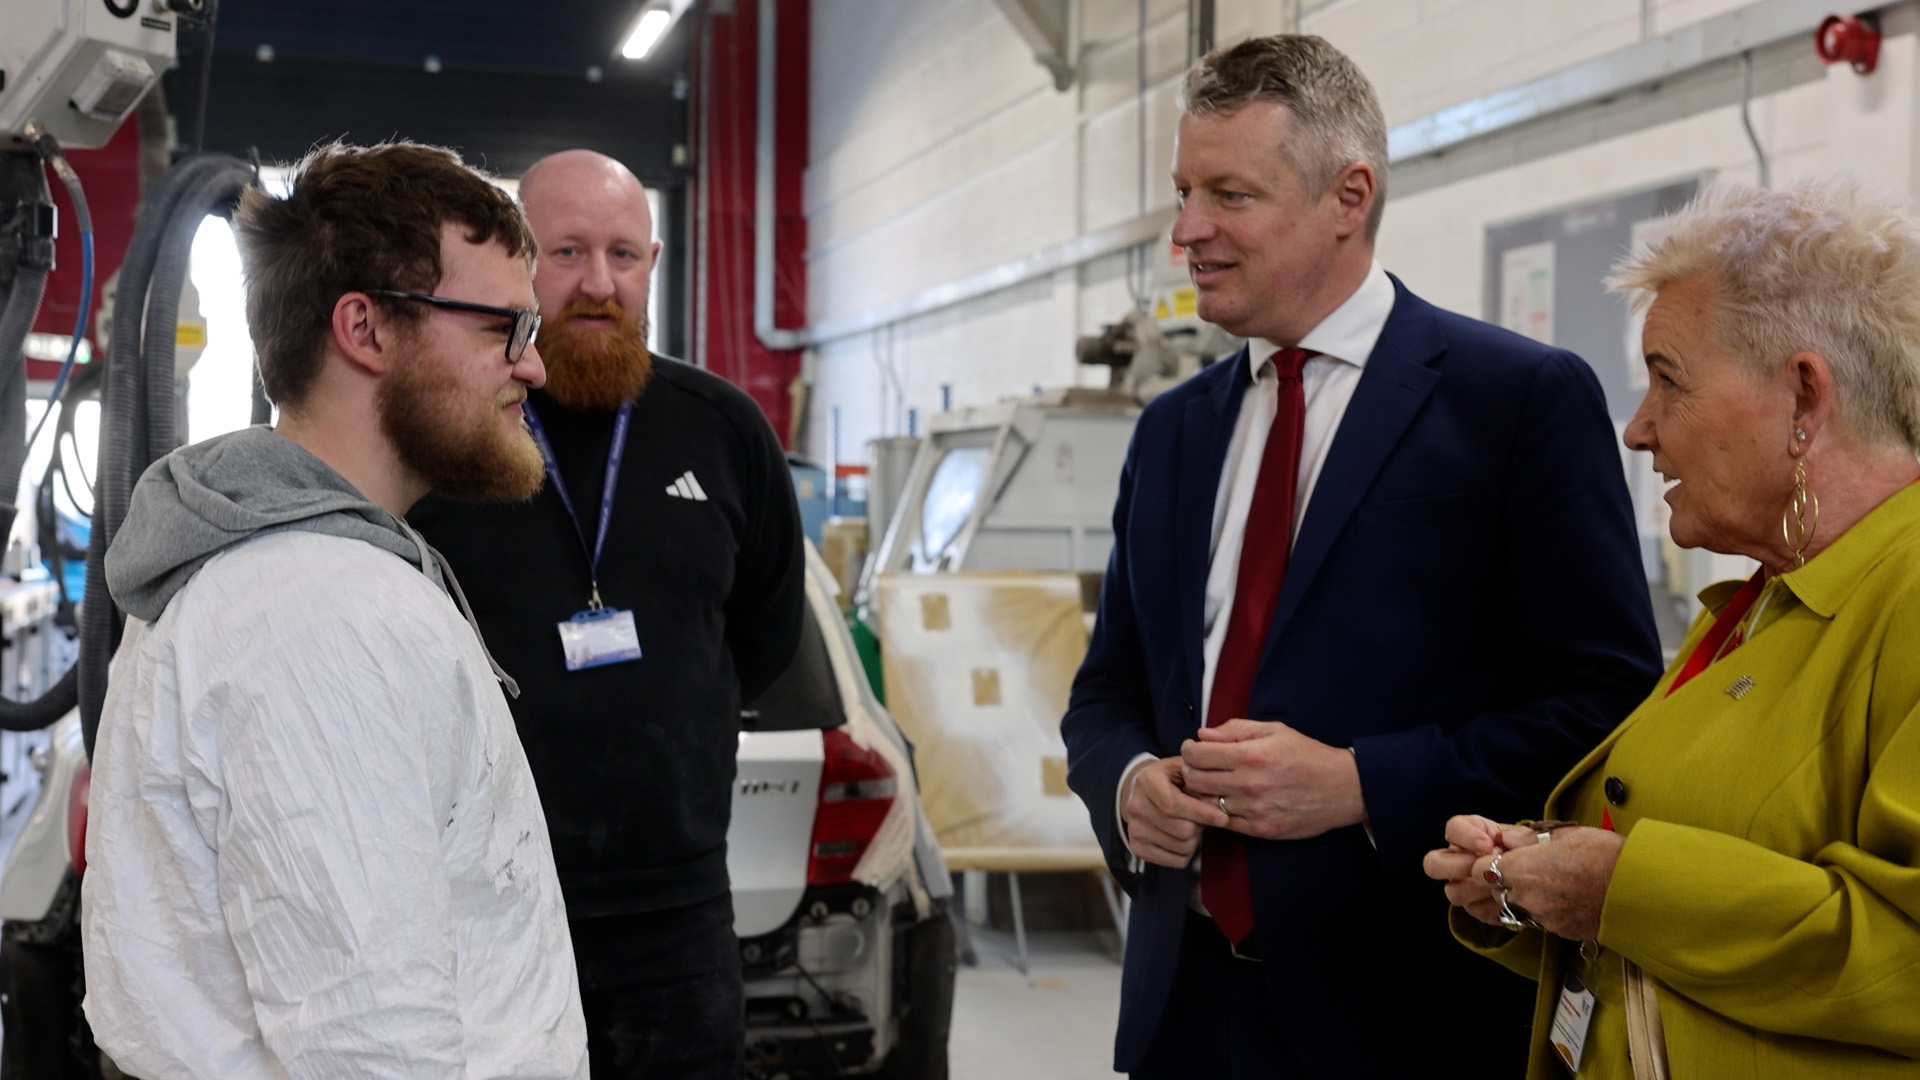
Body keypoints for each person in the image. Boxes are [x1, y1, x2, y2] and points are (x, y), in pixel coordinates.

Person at [1060, 34, 1664, 1078]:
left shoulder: (1514, 402)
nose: (1186, 233)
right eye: (1183, 192)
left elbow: (1603, 699)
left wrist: (1361, 785)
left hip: (1406, 1011)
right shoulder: (1172, 433)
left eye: (1229, 195)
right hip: (1187, 1003)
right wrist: (1129, 784)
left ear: (1350, 196)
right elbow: (1108, 688)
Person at [79, 141, 587, 1078]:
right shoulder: (323, 616)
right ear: (367, 328)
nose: (535, 370)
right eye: (501, 331)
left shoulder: (297, 571)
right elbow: (370, 1044)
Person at [1427, 177, 1920, 1078]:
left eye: (1668, 379)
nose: (1638, 428)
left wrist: (1620, 889)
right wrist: (1535, 887)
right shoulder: (1765, 599)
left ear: (1805, 399)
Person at [409, 149, 806, 1078]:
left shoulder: (724, 428)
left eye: (623, 255)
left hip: (681, 917)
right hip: (485, 906)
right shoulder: (454, 433)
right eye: (568, 252)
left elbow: (765, 632)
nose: (598, 284)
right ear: (518, 262)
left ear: (653, 264)